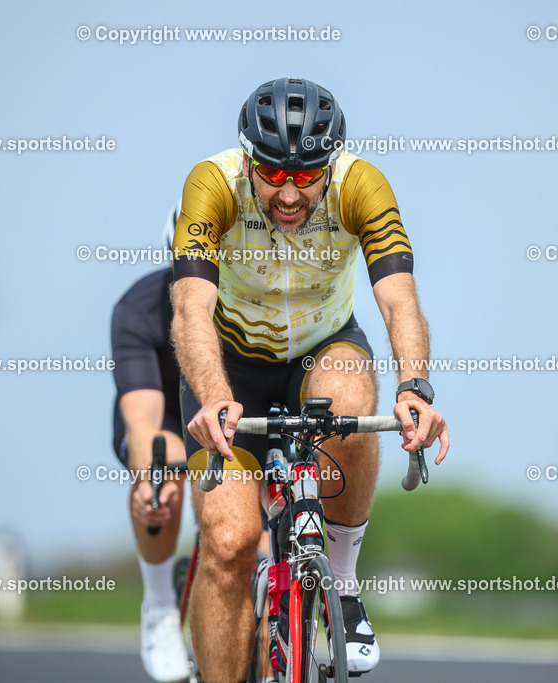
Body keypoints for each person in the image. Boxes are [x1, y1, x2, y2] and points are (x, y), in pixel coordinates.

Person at [171, 77, 449, 682]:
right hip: (229, 364)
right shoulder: (211, 184)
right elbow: (191, 307)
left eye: (307, 175)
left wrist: (415, 387)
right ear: (248, 162)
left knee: (352, 396)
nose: (290, 193)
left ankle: (343, 585)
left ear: (331, 163)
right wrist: (215, 396)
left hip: (323, 347)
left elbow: (399, 300)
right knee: (228, 545)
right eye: (273, 174)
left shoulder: (361, 186)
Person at [110, 208, 189, 682]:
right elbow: (142, 421)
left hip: (233, 416)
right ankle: (159, 603)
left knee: (258, 548)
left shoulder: (256, 301)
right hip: (166, 419)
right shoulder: (137, 308)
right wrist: (150, 481)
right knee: (168, 476)